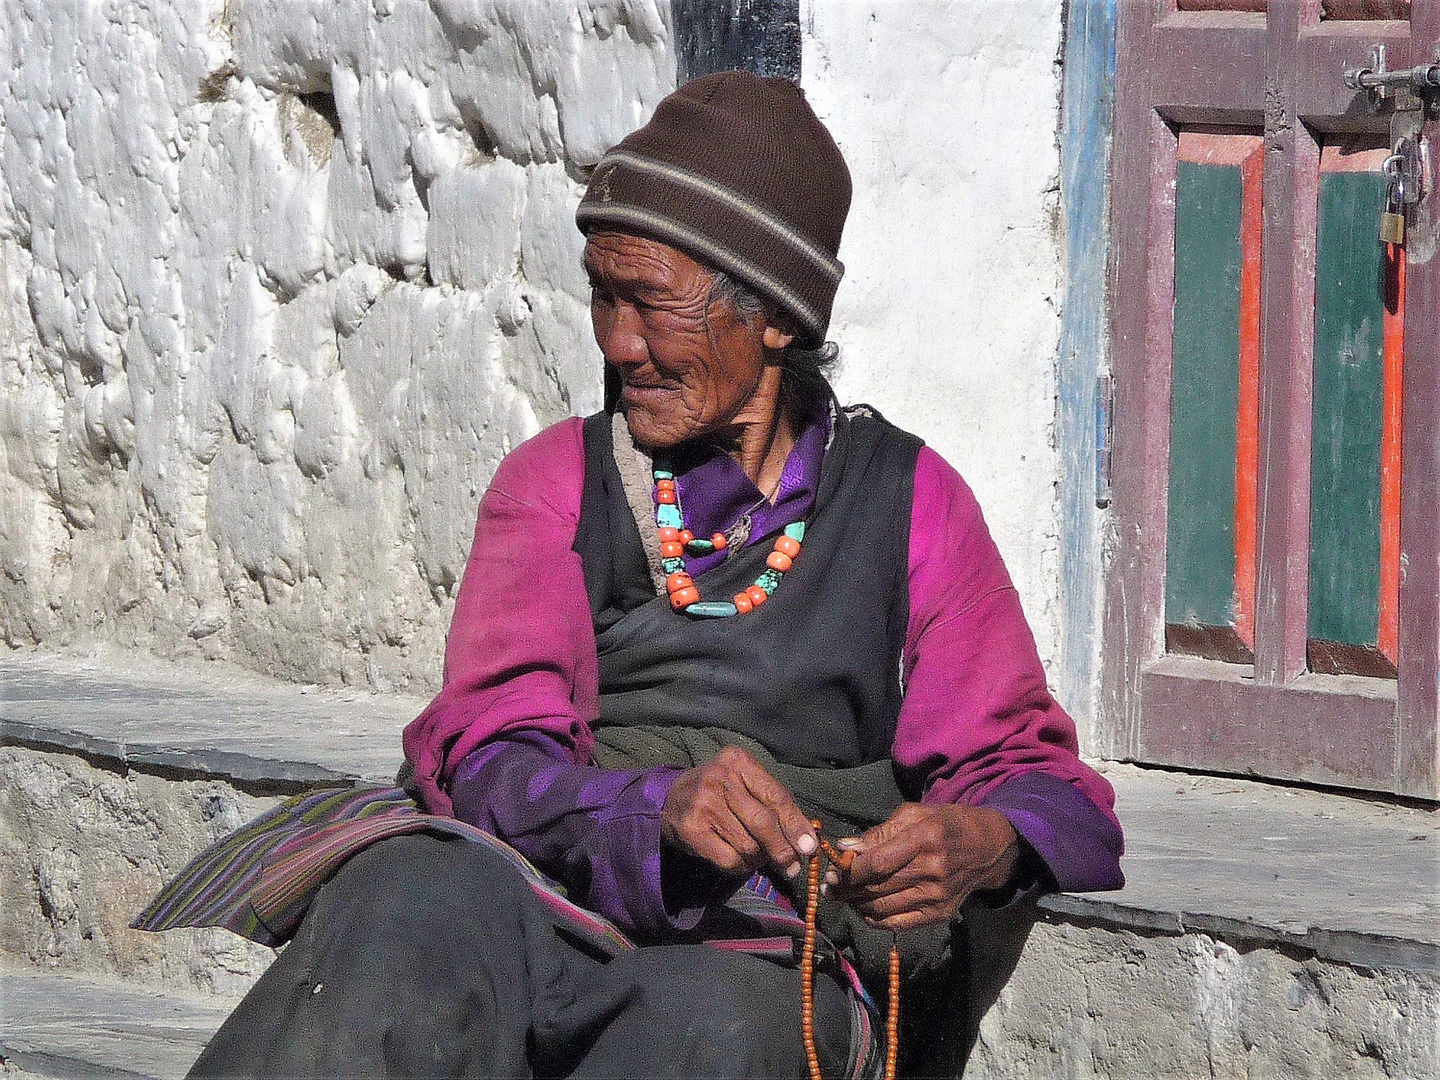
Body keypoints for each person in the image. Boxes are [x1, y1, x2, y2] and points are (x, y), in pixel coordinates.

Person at [143, 71, 1123, 1080]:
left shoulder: (911, 504)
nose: (619, 345)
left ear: (774, 318)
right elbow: (492, 758)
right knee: (398, 909)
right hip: (547, 888)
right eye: (603, 298)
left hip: (762, 942)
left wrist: (980, 841)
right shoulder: (557, 483)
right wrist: (653, 813)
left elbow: (1036, 778)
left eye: (651, 304)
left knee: (709, 1030)